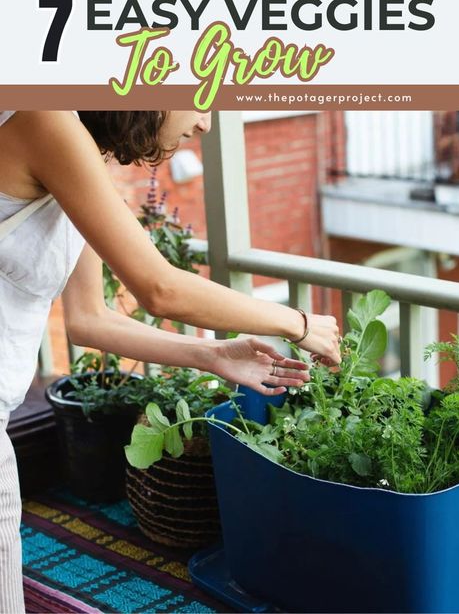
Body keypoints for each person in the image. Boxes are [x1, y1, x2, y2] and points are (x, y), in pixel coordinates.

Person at [0, 110, 340, 613]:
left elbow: (90, 320)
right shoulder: (43, 115)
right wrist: (299, 323)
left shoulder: (83, 155)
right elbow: (160, 288)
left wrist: (215, 354)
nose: (204, 122)